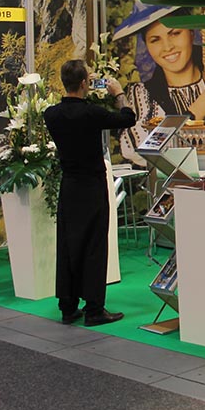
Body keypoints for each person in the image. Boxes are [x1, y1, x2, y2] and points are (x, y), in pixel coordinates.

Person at [43, 59, 137, 326]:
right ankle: (94, 308)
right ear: (85, 83)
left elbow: (74, 111)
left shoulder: (51, 114)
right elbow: (128, 118)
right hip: (92, 186)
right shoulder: (92, 113)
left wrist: (85, 90)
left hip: (69, 186)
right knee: (94, 245)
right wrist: (117, 92)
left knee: (68, 244)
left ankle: (68, 306)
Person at [114, 1, 205, 165]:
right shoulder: (143, 94)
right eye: (155, 40)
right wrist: (196, 111)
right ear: (147, 46)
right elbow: (140, 151)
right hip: (176, 182)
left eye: (175, 33)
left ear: (191, 33)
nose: (167, 47)